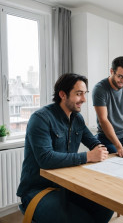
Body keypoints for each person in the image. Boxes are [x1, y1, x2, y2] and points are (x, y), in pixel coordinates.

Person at [17, 73, 114, 223]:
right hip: (37, 190)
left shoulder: (77, 118)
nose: (84, 99)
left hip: (67, 185)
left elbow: (93, 142)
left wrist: (101, 149)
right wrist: (88, 156)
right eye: (79, 94)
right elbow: (46, 159)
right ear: (62, 94)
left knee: (107, 206)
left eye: (85, 94)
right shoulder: (41, 118)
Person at [92, 56, 123, 158]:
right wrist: (119, 147)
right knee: (117, 160)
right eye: (120, 76)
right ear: (112, 71)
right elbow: (103, 120)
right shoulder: (100, 89)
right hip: (107, 138)